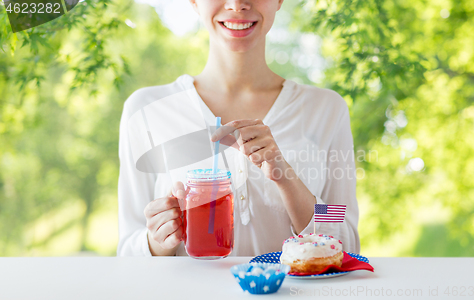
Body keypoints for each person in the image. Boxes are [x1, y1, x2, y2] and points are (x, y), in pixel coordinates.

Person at [117, 0, 360, 257]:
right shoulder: (147, 110)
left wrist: (286, 177)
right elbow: (129, 249)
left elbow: (346, 237)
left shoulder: (325, 109)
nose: (237, 4)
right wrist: (157, 239)